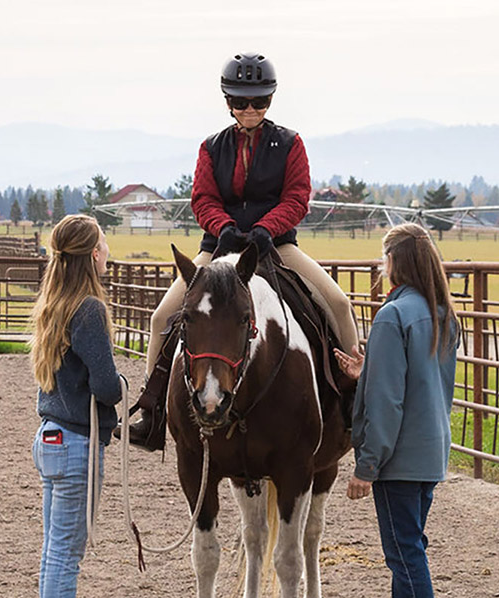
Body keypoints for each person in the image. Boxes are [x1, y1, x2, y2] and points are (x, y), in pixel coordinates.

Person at [126, 51, 359, 449]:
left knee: (338, 304)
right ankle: (152, 412)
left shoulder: (290, 144)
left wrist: (267, 228)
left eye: (259, 101)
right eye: (240, 101)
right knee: (162, 316)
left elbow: (298, 197)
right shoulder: (211, 147)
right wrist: (225, 228)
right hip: (220, 248)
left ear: (270, 101)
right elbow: (203, 199)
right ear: (227, 102)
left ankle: (354, 402)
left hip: (276, 247)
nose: (250, 109)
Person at [334, 222, 459, 598]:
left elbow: (387, 401)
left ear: (396, 262)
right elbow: (419, 380)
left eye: (384, 258)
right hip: (429, 452)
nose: (380, 267)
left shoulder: (391, 317)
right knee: (411, 551)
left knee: (405, 557)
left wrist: (367, 465)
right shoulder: (442, 313)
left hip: (399, 459)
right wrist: (369, 369)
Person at [30, 214, 127, 598]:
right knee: (64, 562)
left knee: (53, 559)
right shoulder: (88, 309)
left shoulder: (52, 303)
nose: (108, 253)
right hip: (75, 445)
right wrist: (123, 385)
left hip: (49, 438)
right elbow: (107, 385)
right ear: (93, 255)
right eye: (105, 246)